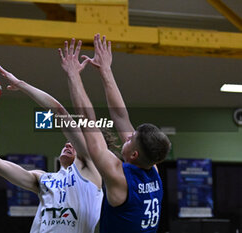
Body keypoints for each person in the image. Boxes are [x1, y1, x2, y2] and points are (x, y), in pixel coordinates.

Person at [0, 63, 103, 233]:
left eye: (74, 144)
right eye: (68, 142)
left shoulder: (92, 170)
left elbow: (59, 111)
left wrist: (21, 84)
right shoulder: (43, 179)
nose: (68, 144)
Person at [59, 35, 171, 233]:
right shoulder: (152, 168)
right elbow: (120, 115)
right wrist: (105, 70)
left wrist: (73, 75)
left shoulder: (119, 178)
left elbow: (87, 121)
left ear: (134, 155)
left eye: (130, 139)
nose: (127, 136)